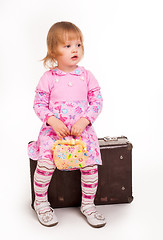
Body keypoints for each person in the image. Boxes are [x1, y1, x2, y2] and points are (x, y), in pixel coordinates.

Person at [28, 21, 106, 228]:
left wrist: (85, 119)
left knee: (90, 165)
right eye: (68, 46)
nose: (75, 50)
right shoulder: (49, 78)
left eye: (78, 45)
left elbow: (97, 101)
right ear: (53, 51)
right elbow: (38, 104)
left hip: (82, 132)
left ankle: (88, 205)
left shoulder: (87, 76)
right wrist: (52, 120)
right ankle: (41, 203)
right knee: (45, 163)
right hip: (55, 132)